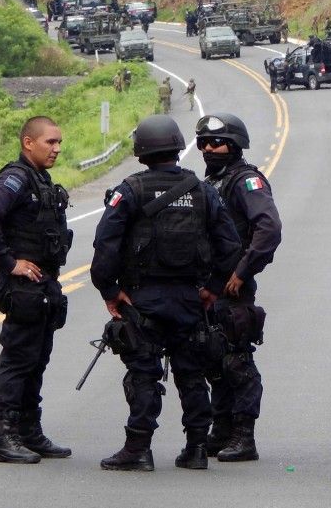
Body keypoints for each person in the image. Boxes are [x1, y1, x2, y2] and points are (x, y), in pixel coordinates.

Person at [91, 115, 241, 472]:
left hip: (142, 301)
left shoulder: (130, 190)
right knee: (191, 374)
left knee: (143, 373)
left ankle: (138, 449)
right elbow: (230, 244)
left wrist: (110, 291)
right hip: (190, 300)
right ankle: (197, 449)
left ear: (141, 151)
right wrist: (212, 289)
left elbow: (104, 247)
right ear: (177, 146)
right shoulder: (202, 190)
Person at [0, 116, 73, 464]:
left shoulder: (40, 180)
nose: (57, 149)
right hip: (23, 288)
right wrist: (9, 261)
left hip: (44, 285)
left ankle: (30, 433)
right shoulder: (15, 178)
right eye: (50, 142)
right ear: (28, 143)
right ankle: (5, 437)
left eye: (59, 142)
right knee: (18, 361)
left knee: (36, 361)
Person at [195, 113, 282, 462]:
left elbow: (269, 229)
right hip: (207, 289)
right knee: (212, 359)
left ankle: (244, 435)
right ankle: (223, 428)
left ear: (234, 145)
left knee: (236, 362)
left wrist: (243, 273)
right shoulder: (211, 183)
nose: (208, 148)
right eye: (203, 143)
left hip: (232, 289)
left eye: (216, 142)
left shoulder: (246, 182)